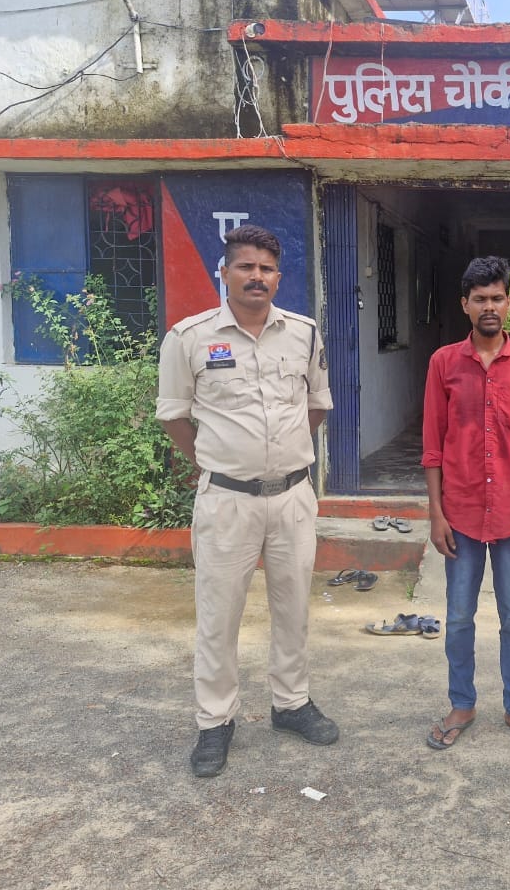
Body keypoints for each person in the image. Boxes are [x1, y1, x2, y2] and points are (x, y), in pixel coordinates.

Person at [156, 224, 335, 778]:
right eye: (246, 267)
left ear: (278, 277)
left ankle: (291, 703)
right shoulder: (188, 337)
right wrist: (219, 461)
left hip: (292, 497)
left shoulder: (303, 333)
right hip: (227, 501)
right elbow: (174, 415)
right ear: (225, 272)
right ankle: (215, 721)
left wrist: (280, 457)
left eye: (266, 269)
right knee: (218, 614)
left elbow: (316, 404)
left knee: (293, 608)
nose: (256, 276)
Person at [421, 256, 510, 751]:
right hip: (459, 512)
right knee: (459, 617)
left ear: (509, 302)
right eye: (479, 299)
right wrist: (436, 514)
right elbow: (432, 446)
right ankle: (462, 703)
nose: (489, 307)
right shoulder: (443, 363)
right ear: (465, 305)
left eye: (497, 297)